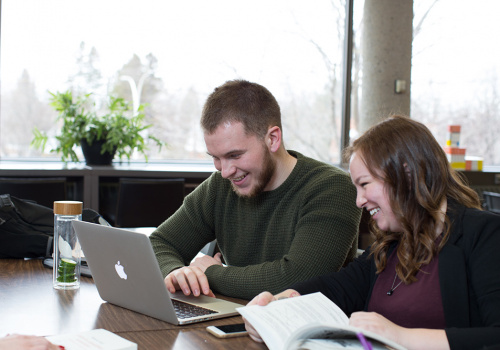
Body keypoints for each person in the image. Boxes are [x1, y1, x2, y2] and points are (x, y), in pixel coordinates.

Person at [244, 115, 500, 349]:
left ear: (407, 175)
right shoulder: (390, 246)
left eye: (365, 184)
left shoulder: (484, 234)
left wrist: (398, 335)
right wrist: (277, 304)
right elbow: (337, 287)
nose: (359, 201)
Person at [149, 79, 362, 300]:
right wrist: (178, 273)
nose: (225, 171)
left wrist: (210, 273)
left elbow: (297, 279)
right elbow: (159, 243)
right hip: (237, 320)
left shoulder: (333, 188)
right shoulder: (220, 187)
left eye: (234, 155)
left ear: (272, 139)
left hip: (303, 330)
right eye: (216, 158)